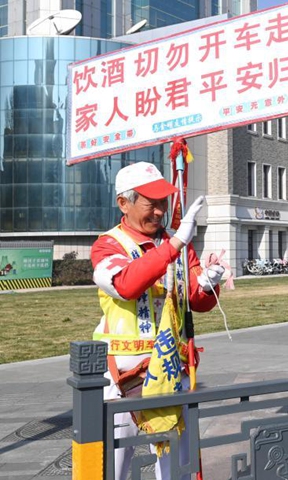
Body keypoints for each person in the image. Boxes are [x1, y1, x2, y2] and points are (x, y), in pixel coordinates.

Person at [91, 162, 225, 480]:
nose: (159, 211)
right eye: (150, 203)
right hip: (122, 377)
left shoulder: (177, 242)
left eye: (163, 202)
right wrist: (175, 244)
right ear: (124, 203)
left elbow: (196, 299)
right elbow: (125, 284)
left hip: (168, 368)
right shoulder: (108, 245)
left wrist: (208, 284)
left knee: (175, 464)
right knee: (114, 465)